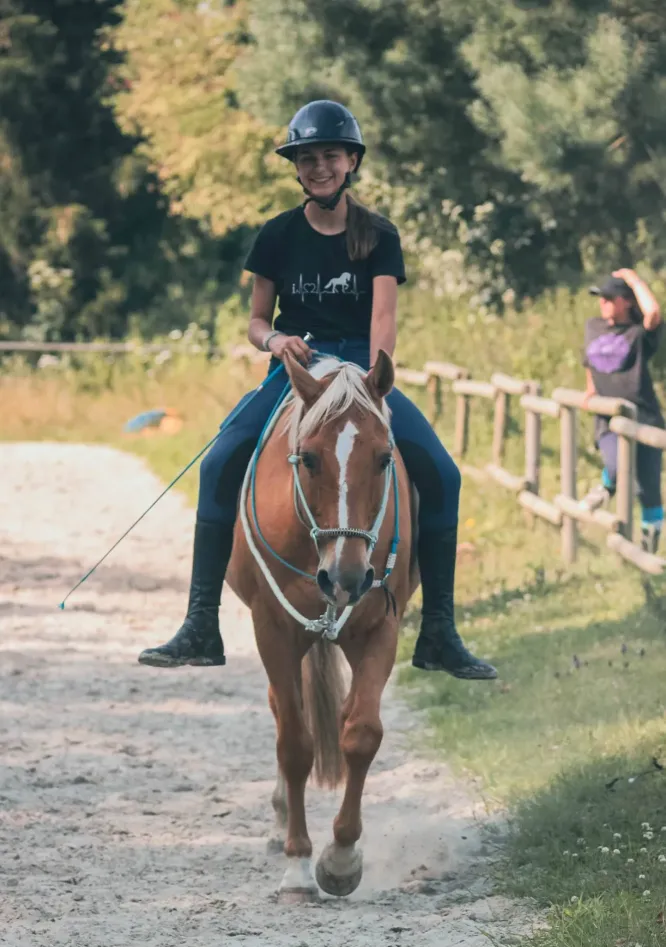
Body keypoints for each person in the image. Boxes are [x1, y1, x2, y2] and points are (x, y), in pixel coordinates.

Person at [139, 100, 497, 680]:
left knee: (442, 473)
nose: (319, 167)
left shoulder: (378, 235)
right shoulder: (277, 235)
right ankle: (200, 621)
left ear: (351, 161)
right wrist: (276, 341)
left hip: (361, 375)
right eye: (308, 158)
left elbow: (384, 317)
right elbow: (257, 321)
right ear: (298, 167)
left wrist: (378, 378)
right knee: (220, 461)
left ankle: (439, 631)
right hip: (297, 375)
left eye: (330, 156)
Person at [580, 269, 664, 553]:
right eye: (600, 298)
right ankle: (607, 485)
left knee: (649, 490)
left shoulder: (638, 333)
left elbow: (653, 313)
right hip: (610, 418)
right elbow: (588, 360)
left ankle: (647, 555)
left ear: (626, 301)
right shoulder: (593, 326)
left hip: (646, 417)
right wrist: (590, 389)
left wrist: (634, 279)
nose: (602, 303)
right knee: (617, 465)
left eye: (608, 298)